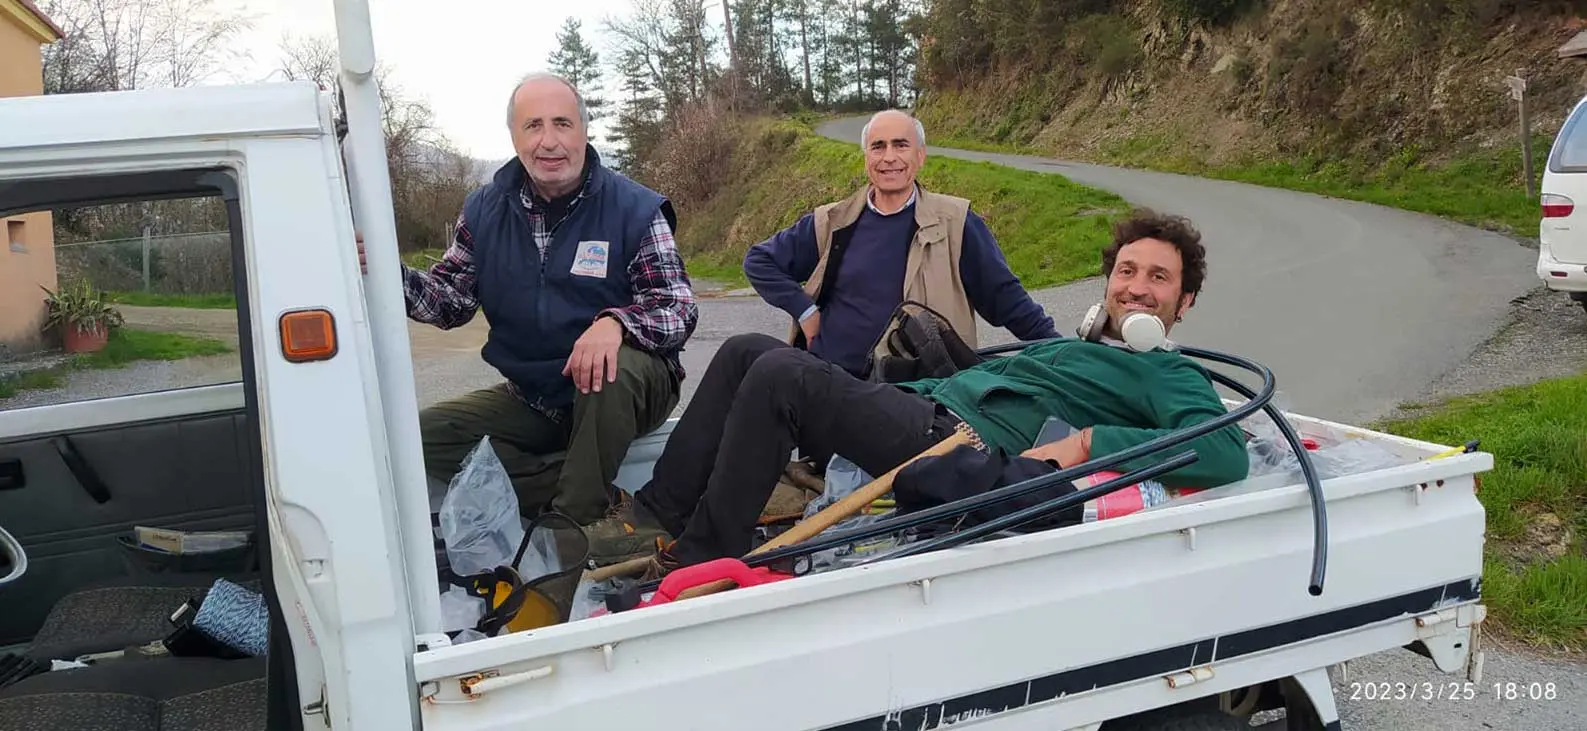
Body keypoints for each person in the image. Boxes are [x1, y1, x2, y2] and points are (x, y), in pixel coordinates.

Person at [586, 208, 1250, 574]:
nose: (1136, 287)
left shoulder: (1169, 371)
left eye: (1158, 278)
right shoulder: (1075, 347)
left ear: (1184, 300)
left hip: (958, 444)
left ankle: (705, 557)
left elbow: (1224, 450)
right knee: (746, 351)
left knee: (780, 375)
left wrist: (1088, 443)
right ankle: (657, 516)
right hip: (925, 410)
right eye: (1127, 271)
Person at [377, 71, 698, 529]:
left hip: (627, 391)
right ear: (514, 136)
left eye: (562, 124)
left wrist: (617, 324)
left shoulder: (634, 209)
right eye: (533, 126)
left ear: (584, 131)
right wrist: (382, 272)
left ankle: (571, 527)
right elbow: (450, 301)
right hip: (537, 397)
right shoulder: (483, 211)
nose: (549, 141)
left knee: (608, 367)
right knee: (424, 437)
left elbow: (678, 308)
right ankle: (595, 493)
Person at [742, 109, 1059, 379]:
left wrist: (1063, 351)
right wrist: (805, 310)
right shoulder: (834, 220)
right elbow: (759, 261)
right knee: (744, 356)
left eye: (901, 145)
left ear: (920, 156)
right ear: (866, 158)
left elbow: (1007, 300)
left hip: (917, 394)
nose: (889, 157)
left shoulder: (955, 223)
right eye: (878, 146)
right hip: (831, 381)